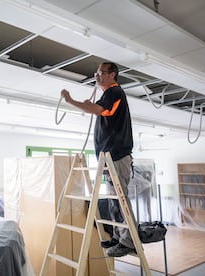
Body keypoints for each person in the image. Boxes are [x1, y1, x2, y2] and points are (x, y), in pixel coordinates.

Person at [60, 61, 135, 257]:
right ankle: (119, 237)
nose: (97, 76)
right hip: (109, 156)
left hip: (117, 155)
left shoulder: (115, 92)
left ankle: (128, 241)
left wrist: (71, 100)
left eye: (101, 73)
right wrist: (89, 105)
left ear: (113, 75)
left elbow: (98, 110)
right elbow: (98, 108)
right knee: (114, 199)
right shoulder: (107, 94)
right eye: (96, 73)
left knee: (120, 199)